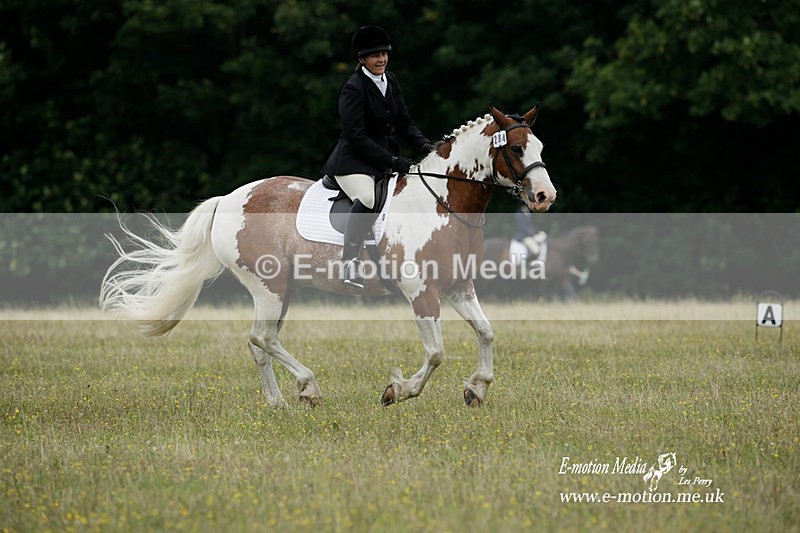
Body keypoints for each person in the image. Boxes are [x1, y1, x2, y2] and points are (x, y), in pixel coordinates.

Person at [321, 25, 435, 288]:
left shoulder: (390, 80)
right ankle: (349, 263)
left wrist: (426, 146)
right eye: (374, 55)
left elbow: (404, 122)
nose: (381, 59)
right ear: (362, 59)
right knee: (368, 198)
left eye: (384, 53)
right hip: (352, 161)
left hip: (380, 159)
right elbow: (356, 137)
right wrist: (394, 162)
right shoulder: (354, 88)